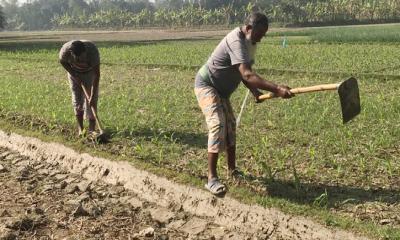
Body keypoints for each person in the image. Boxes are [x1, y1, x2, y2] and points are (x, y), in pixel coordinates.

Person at [194, 12, 294, 196]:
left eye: (263, 36)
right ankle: (211, 179)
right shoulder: (236, 41)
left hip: (222, 91)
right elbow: (247, 74)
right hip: (207, 85)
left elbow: (243, 73)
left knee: (231, 126)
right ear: (248, 29)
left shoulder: (250, 43)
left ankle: (232, 170)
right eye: (258, 35)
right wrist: (276, 88)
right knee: (217, 124)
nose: (260, 40)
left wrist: (255, 91)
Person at [59, 40, 100, 137]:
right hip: (74, 73)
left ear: (85, 52)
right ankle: (81, 129)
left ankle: (92, 129)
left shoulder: (92, 51)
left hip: (89, 73)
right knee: (77, 100)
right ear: (71, 54)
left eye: (83, 57)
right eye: (78, 58)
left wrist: (93, 96)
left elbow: (97, 75)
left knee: (92, 101)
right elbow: (62, 61)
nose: (81, 60)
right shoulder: (65, 51)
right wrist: (74, 75)